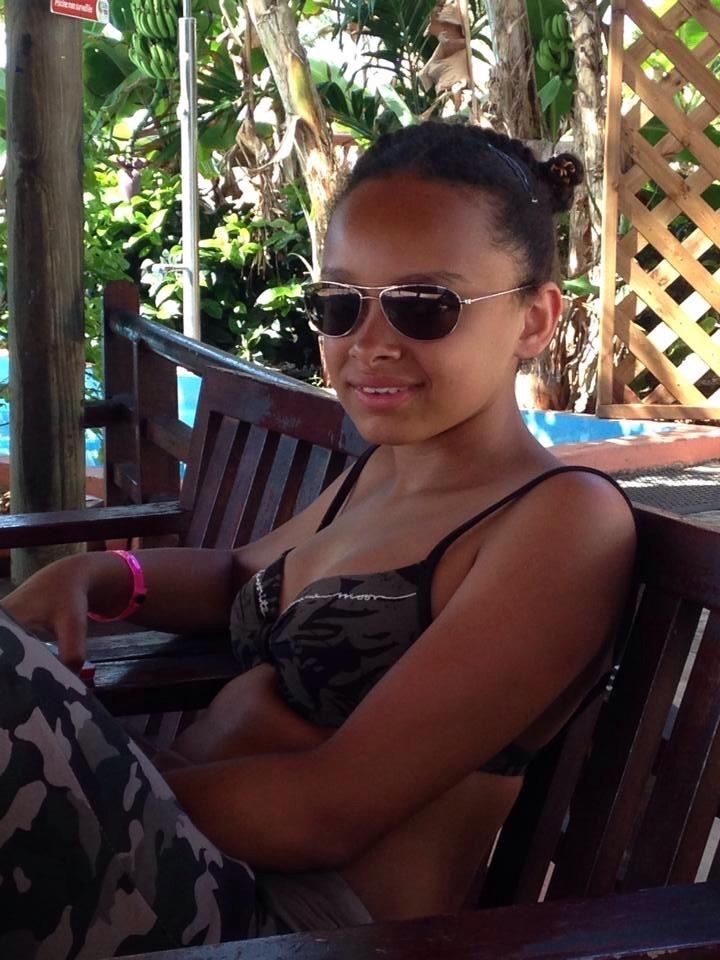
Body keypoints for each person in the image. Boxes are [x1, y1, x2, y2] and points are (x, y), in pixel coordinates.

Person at [0, 121, 636, 958]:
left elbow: (330, 810)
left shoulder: (560, 524)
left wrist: (96, 775)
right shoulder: (386, 473)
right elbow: (240, 576)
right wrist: (106, 576)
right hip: (176, 852)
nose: (369, 341)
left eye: (424, 305)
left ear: (535, 318)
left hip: (293, 922)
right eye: (340, 304)